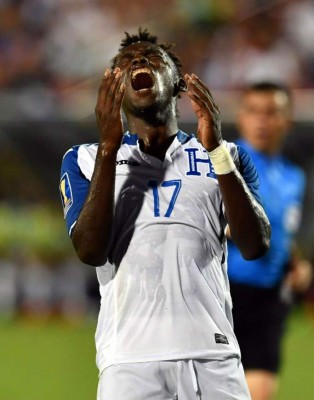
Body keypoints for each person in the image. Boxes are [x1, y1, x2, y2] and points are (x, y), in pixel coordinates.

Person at [59, 28, 271, 400]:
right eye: (126, 61)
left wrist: (216, 150)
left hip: (214, 356)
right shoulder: (85, 159)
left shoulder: (226, 156)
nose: (138, 61)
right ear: (115, 88)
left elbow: (255, 246)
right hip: (130, 361)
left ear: (178, 85)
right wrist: (110, 148)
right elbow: (90, 251)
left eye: (152, 58)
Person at [227, 82, 313, 400]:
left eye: (271, 113)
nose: (262, 121)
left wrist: (295, 262)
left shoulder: (293, 177)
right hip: (222, 295)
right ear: (241, 117)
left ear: (287, 120)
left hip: (269, 298)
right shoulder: (223, 163)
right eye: (254, 112)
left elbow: (281, 231)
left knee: (260, 393)